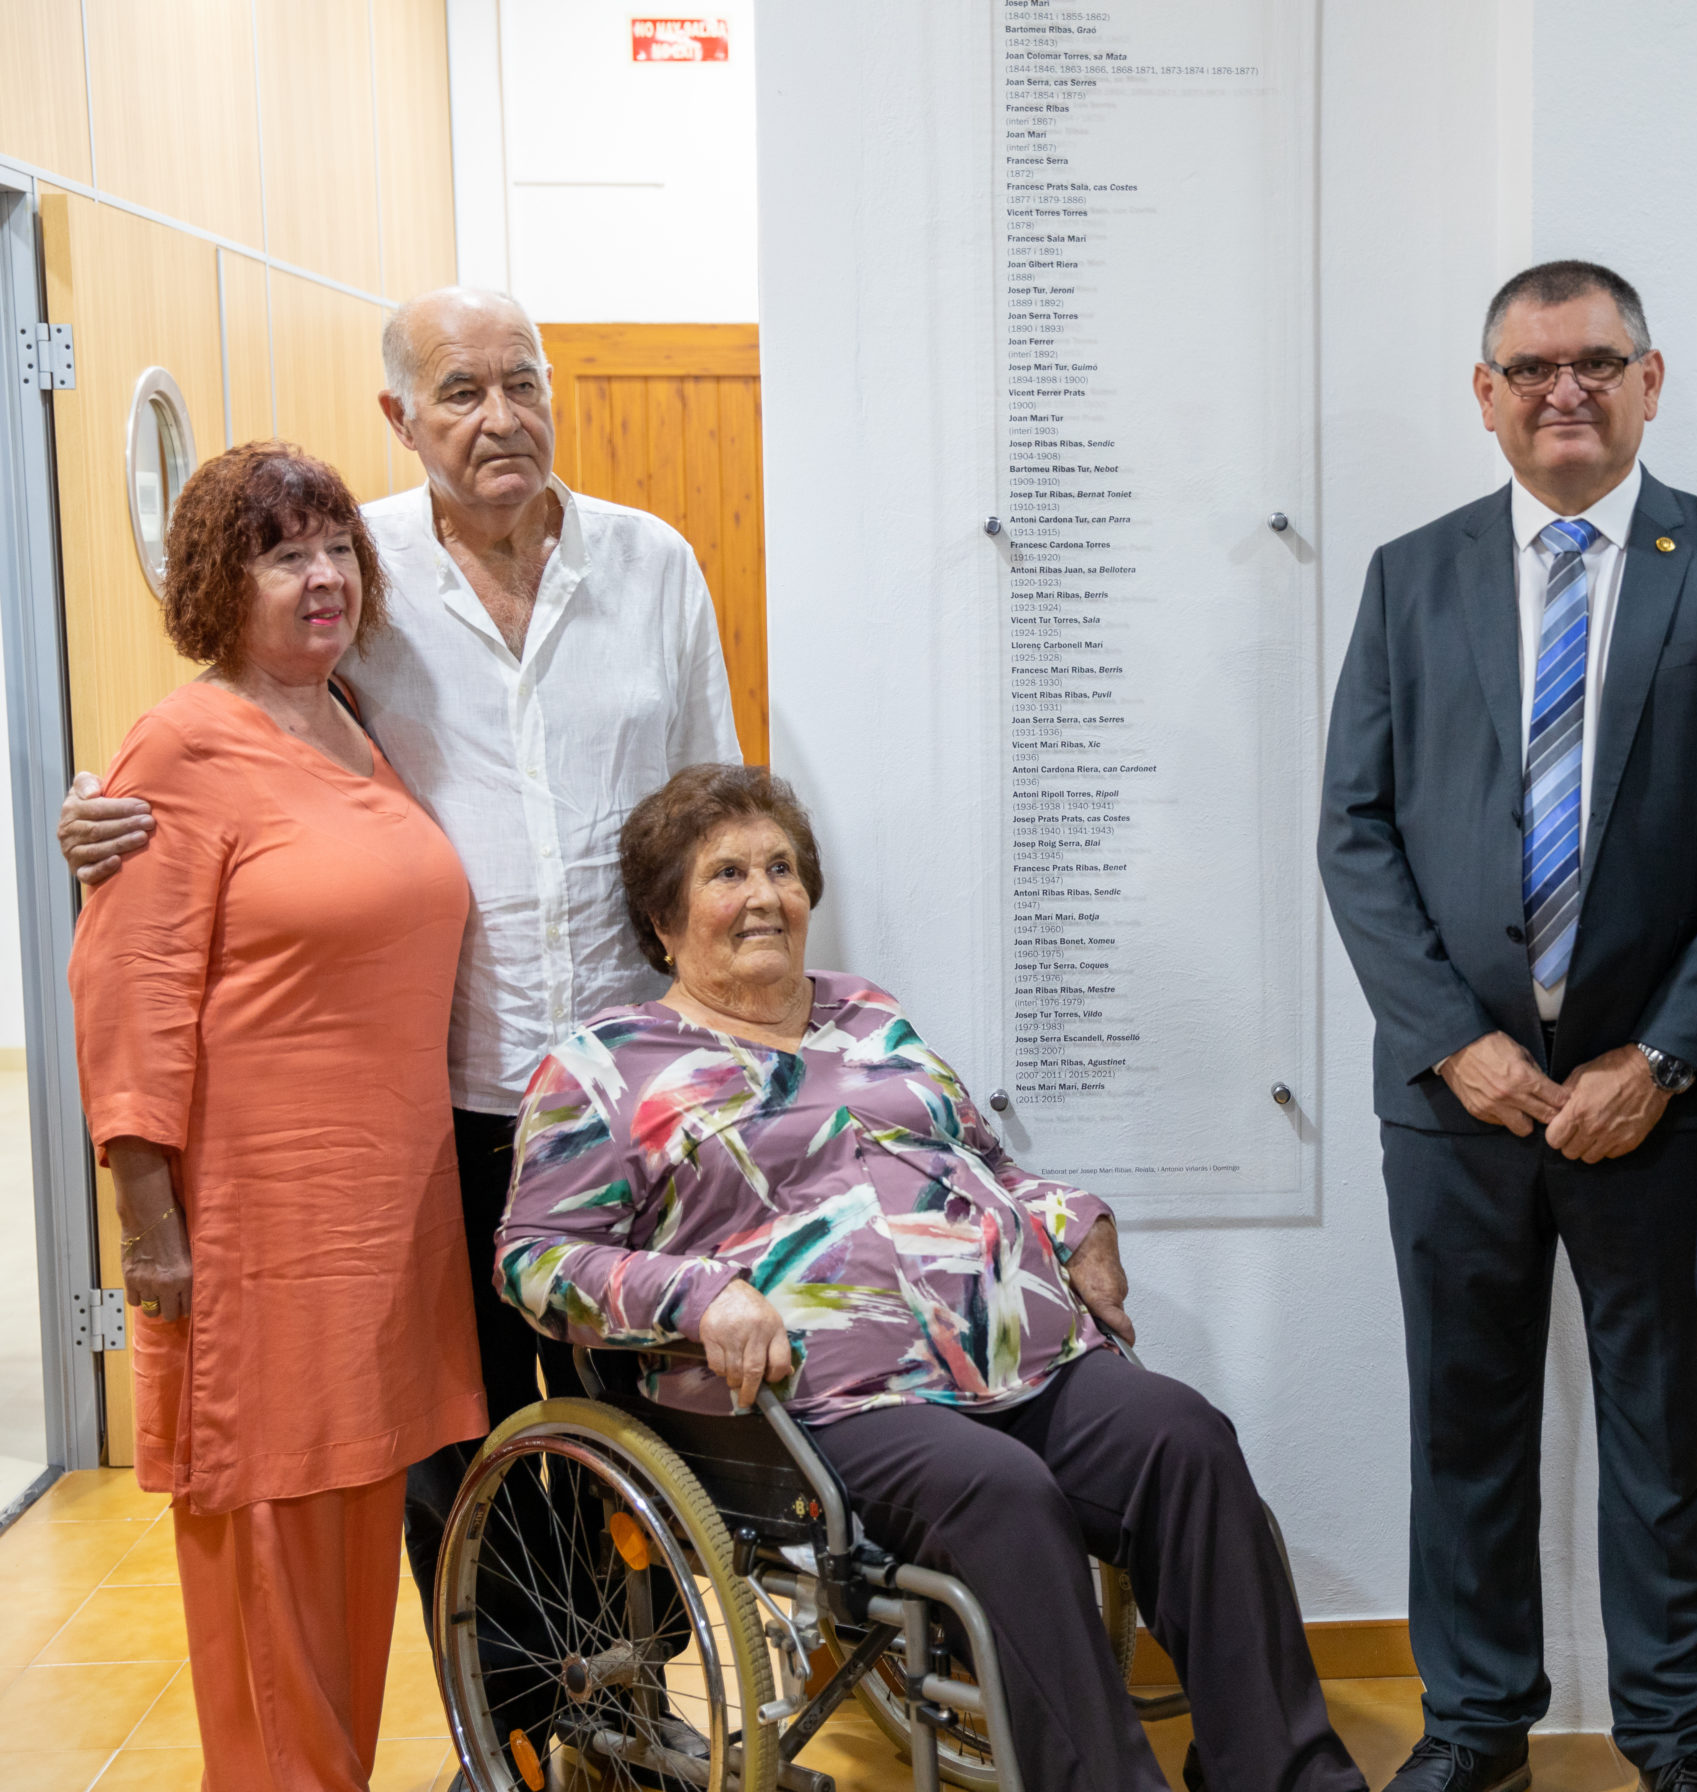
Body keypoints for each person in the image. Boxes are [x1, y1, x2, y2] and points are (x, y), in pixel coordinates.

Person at [52, 288, 743, 1668]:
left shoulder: (653, 564)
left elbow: (710, 809)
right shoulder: (364, 583)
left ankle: (636, 1695)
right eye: (461, 391)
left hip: (630, 1095)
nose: (500, 417)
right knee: (467, 1447)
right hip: (458, 1099)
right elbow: (245, 733)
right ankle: (529, 1727)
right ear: (401, 418)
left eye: (522, 383)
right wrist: (105, 817)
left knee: (671, 1432)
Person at [494, 762, 1364, 1792]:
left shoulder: (867, 1015)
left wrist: (1073, 1218)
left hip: (1016, 1353)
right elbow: (533, 1259)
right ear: (662, 915)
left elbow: (984, 1165)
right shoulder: (609, 1063)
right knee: (1004, 1495)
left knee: (1185, 1441)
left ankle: (1292, 1777)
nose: (764, 893)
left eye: (781, 867)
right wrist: (702, 1294)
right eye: (726, 873)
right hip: (817, 1398)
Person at [1318, 260, 1697, 1792]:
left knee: (1668, 1440)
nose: (1566, 391)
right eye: (1531, 367)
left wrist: (1667, 1054)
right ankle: (1477, 1729)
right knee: (1464, 1429)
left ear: (1652, 379)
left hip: (1658, 1105)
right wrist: (1448, 1041)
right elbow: (1356, 830)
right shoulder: (1412, 576)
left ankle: (1676, 1734)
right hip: (1456, 1102)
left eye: (1598, 363)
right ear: (1482, 394)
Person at [67, 443, 488, 1790]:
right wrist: (148, 1219)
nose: (323, 580)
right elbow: (125, 991)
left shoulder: (354, 717)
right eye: (282, 554)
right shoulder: (183, 746)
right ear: (216, 580)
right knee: (269, 1573)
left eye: (335, 550)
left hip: (379, 1231)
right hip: (254, 1238)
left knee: (353, 1558)